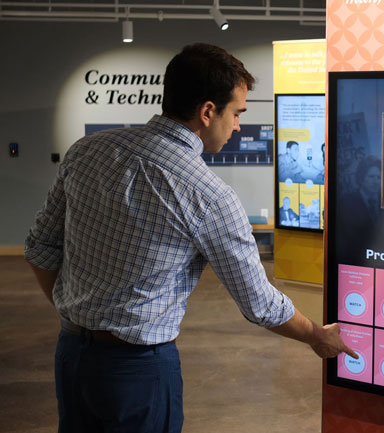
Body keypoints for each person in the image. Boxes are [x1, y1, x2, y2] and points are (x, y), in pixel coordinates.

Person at [24, 43, 355, 433]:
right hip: (139, 371)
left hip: (72, 357)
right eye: (236, 114)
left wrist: (77, 316)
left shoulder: (86, 152)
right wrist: (317, 336)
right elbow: (259, 304)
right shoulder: (209, 196)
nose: (237, 127)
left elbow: (40, 248)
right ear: (207, 112)